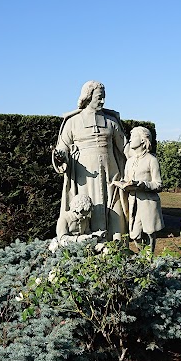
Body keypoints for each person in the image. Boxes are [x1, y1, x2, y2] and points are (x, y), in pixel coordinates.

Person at [52, 81, 128, 241]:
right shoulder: (72, 122)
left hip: (111, 175)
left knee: (114, 210)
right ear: (88, 97)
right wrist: (60, 158)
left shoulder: (111, 121)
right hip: (84, 177)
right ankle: (90, 247)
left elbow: (125, 149)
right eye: (99, 97)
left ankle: (116, 248)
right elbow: (62, 149)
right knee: (86, 210)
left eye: (104, 98)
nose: (102, 101)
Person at [115, 126, 164, 252]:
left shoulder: (151, 160)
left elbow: (158, 184)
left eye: (133, 137)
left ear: (142, 140)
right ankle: (143, 256)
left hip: (147, 203)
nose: (130, 140)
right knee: (135, 235)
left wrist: (143, 184)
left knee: (149, 233)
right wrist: (121, 184)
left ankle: (149, 259)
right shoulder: (129, 162)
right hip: (133, 203)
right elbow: (126, 180)